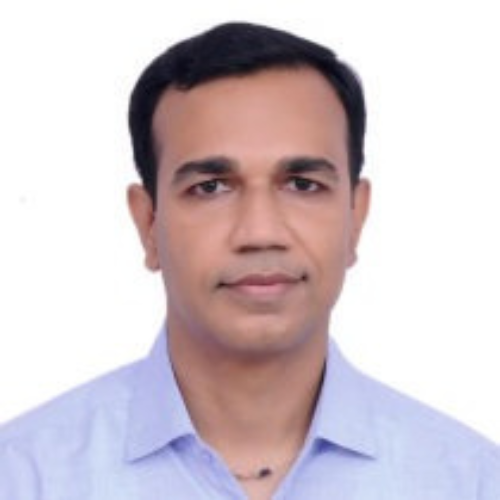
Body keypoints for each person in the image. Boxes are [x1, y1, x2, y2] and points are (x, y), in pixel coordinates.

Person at [0, 21, 498, 500]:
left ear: (355, 217)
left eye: (303, 184)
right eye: (211, 187)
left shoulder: (472, 482)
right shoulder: (22, 478)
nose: (260, 232)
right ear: (148, 223)